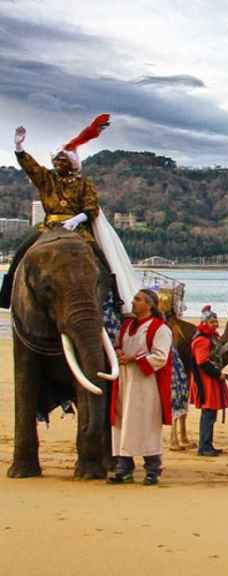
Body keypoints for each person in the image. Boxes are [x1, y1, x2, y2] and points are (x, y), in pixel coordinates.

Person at [1, 116, 140, 314]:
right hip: (49, 226)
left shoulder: (84, 184)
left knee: (101, 256)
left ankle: (115, 295)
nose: (58, 162)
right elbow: (31, 168)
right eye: (56, 159)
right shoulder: (47, 179)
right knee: (21, 252)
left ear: (72, 163)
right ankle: (7, 293)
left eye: (62, 159)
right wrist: (19, 148)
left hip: (77, 227)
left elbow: (91, 208)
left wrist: (76, 219)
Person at [108, 289, 173, 485]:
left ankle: (152, 469)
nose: (133, 302)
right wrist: (118, 352)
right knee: (121, 422)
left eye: (138, 299)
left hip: (145, 384)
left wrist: (134, 359)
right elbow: (119, 345)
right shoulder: (127, 325)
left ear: (150, 305)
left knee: (145, 424)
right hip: (124, 381)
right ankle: (123, 468)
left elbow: (160, 357)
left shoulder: (160, 328)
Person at [190, 305, 228, 456]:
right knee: (208, 413)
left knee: (211, 413)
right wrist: (218, 374)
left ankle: (207, 445)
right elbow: (202, 362)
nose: (215, 324)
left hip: (210, 378)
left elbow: (217, 353)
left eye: (216, 321)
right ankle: (204, 446)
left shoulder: (210, 338)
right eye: (212, 322)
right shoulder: (201, 340)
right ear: (205, 323)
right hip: (206, 380)